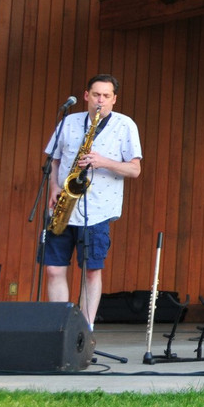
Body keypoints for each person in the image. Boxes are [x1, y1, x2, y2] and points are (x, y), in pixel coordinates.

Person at [43, 74, 142, 328]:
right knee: (53, 269)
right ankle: (60, 329)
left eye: (106, 96)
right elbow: (53, 160)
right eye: (96, 95)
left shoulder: (125, 125)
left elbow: (135, 169)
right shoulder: (69, 122)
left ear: (114, 99)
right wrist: (54, 187)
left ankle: (85, 332)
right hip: (64, 205)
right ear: (86, 95)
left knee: (90, 270)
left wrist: (103, 162)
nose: (101, 100)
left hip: (98, 209)